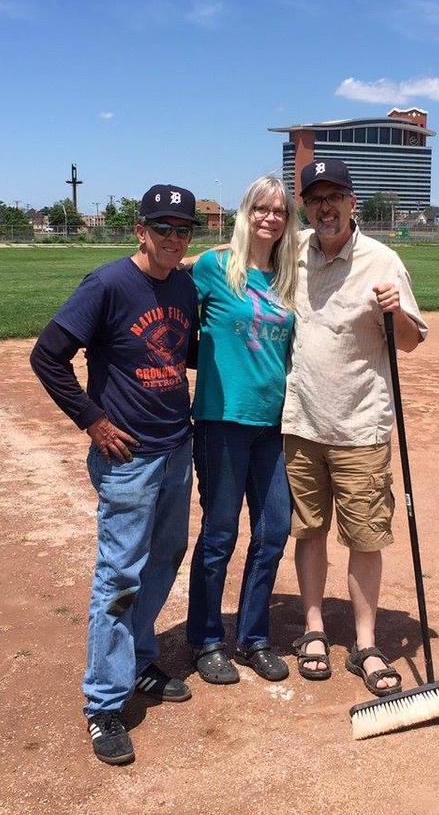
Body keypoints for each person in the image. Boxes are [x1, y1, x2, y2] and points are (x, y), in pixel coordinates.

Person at [29, 184, 200, 766]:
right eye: (164, 228)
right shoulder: (107, 284)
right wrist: (92, 420)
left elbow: (184, 352)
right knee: (120, 574)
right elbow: (47, 354)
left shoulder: (182, 284)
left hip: (177, 446)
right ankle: (103, 704)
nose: (174, 239)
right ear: (140, 230)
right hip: (128, 456)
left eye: (183, 230)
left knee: (164, 557)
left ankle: (139, 660)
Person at [283, 159, 428, 697]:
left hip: (362, 427)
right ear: (307, 206)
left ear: (352, 202)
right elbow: (240, 248)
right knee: (309, 530)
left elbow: (411, 342)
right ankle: (314, 629)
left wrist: (396, 314)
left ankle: (365, 644)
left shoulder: (383, 262)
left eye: (334, 197)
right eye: (315, 198)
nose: (325, 207)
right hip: (301, 423)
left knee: (365, 537)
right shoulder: (293, 252)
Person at [184, 175, 300, 685]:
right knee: (220, 534)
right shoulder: (214, 268)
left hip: (273, 425)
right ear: (246, 212)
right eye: (262, 208)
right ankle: (206, 639)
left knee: (274, 531)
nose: (270, 217)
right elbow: (167, 298)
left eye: (280, 210)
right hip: (221, 422)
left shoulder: (289, 277)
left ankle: (253, 637)